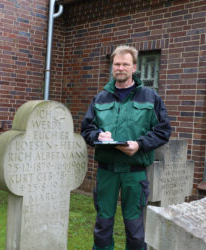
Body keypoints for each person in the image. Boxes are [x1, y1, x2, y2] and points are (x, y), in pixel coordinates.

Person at [81, 45, 171, 250]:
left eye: (125, 64)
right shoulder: (100, 98)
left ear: (134, 67)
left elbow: (163, 130)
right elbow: (86, 129)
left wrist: (140, 144)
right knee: (103, 225)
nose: (120, 68)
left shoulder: (150, 98)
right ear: (112, 67)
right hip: (107, 171)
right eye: (117, 64)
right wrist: (98, 135)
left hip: (135, 172)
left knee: (135, 227)